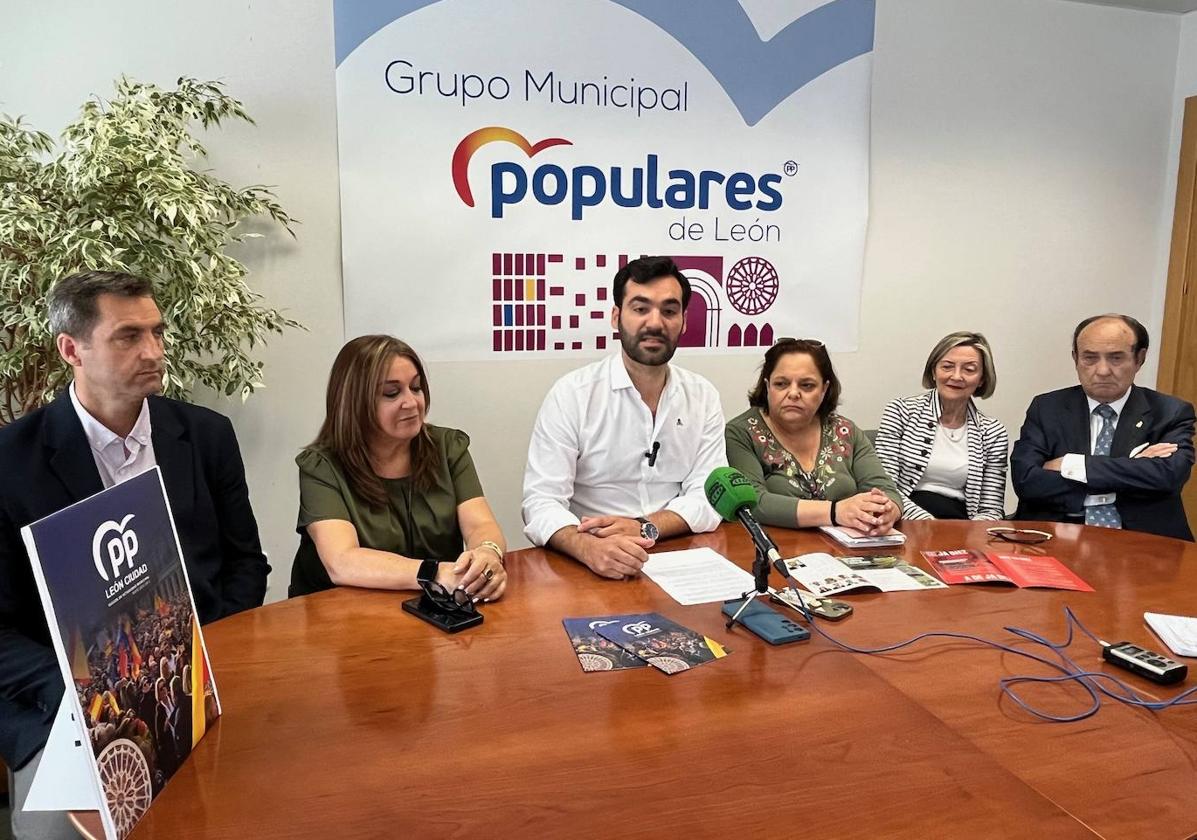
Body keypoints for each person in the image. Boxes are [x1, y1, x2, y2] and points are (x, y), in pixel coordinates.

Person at [0, 270, 268, 839]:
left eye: (157, 332)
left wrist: (207, 657)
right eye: (128, 336)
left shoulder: (206, 435)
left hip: (199, 681)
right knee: (59, 834)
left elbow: (246, 564)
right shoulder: (8, 465)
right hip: (64, 711)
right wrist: (84, 697)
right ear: (71, 349)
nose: (154, 351)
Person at [522, 256, 726, 580]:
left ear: (684, 322)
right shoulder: (573, 394)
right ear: (616, 317)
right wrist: (586, 547)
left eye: (669, 311)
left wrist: (647, 526)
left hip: (678, 554)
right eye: (640, 308)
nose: (655, 323)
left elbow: (709, 494)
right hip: (589, 558)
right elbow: (540, 502)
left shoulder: (702, 396)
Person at [291, 335, 507, 600]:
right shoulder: (322, 466)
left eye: (416, 388)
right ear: (353, 401)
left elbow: (479, 524)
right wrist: (435, 574)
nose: (411, 402)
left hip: (435, 611)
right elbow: (342, 560)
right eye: (391, 393)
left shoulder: (448, 447)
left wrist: (487, 553)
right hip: (339, 615)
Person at [1011, 314, 1195, 540]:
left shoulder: (1169, 412)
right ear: (1075, 358)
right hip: (1057, 538)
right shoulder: (1047, 408)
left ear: (1140, 358)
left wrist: (1072, 464)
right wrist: (1132, 470)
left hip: (1145, 544)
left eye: (1116, 358)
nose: (1103, 370)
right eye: (1090, 358)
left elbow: (1168, 477)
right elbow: (1027, 482)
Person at [725, 338, 901, 532]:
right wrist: (835, 512)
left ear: (824, 389)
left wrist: (886, 511)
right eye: (781, 384)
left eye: (807, 385)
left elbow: (886, 490)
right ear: (767, 386)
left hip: (846, 550)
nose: (793, 393)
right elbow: (752, 503)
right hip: (775, 546)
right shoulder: (740, 433)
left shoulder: (845, 431)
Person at [875, 332, 1009, 520]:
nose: (956, 376)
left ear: (982, 379)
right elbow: (885, 488)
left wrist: (966, 536)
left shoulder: (993, 432)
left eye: (969, 369)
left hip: (962, 526)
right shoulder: (901, 411)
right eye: (947, 367)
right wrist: (930, 525)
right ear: (933, 371)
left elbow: (991, 509)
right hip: (902, 519)